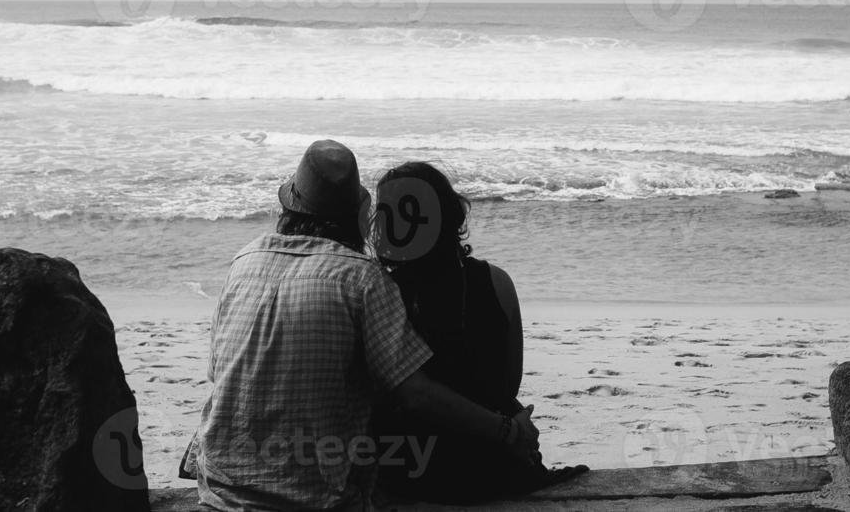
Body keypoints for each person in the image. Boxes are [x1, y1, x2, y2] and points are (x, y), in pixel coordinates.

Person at [190, 140, 542, 512]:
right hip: (313, 497)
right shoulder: (364, 279)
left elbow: (216, 372)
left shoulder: (244, 260)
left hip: (219, 487)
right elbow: (420, 393)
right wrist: (508, 432)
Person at [371, 161, 588, 503]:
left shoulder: (378, 293)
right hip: (494, 466)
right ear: (449, 215)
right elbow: (508, 383)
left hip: (413, 468)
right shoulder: (496, 282)